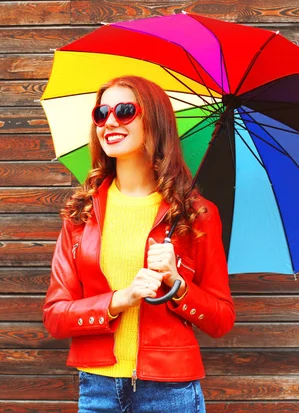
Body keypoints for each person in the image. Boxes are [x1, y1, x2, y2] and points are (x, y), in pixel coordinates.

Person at [43, 75, 235, 413]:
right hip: (97, 389)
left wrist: (179, 286)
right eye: (101, 113)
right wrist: (121, 299)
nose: (110, 122)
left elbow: (221, 320)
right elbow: (56, 316)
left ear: (155, 122)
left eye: (125, 110)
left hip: (171, 391)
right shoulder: (80, 214)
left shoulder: (196, 214)